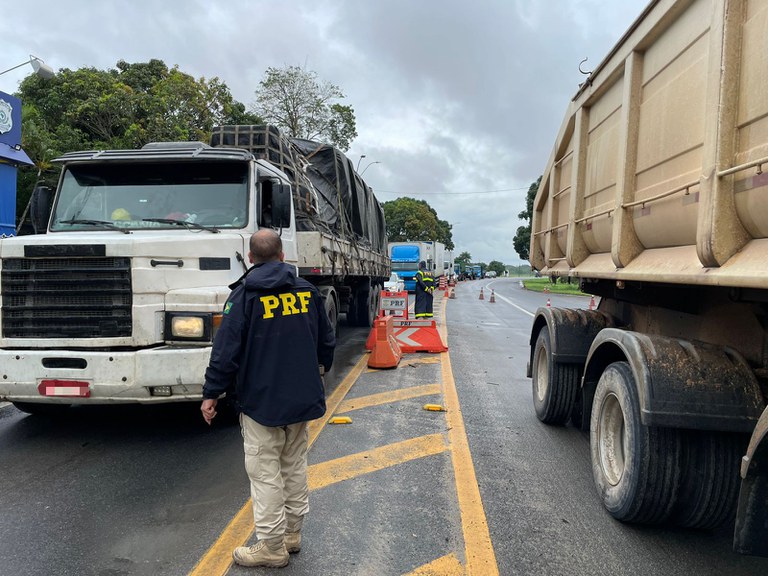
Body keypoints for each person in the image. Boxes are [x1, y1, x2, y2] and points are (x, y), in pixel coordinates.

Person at [200, 229, 335, 569]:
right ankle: (292, 534)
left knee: (265, 475)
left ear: (250, 258)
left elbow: (225, 353)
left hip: (261, 403)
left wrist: (211, 393)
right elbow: (326, 340)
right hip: (301, 399)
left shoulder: (244, 297)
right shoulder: (307, 292)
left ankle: (272, 546)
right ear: (282, 256)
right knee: (293, 465)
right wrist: (318, 371)